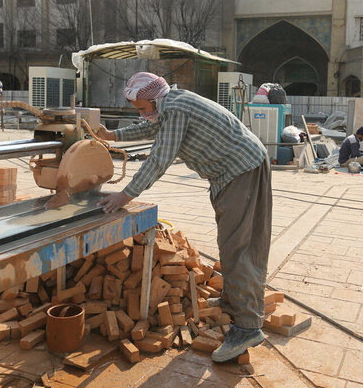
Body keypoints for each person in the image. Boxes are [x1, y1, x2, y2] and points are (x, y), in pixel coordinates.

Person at [96, 72, 271, 363]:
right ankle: (233, 300)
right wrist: (113, 136)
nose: (142, 114)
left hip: (242, 170)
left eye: (142, 108)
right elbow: (149, 128)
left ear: (154, 99)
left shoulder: (175, 108)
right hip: (234, 171)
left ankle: (248, 327)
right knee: (232, 242)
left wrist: (124, 195)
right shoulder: (169, 104)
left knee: (238, 248)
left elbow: (160, 158)